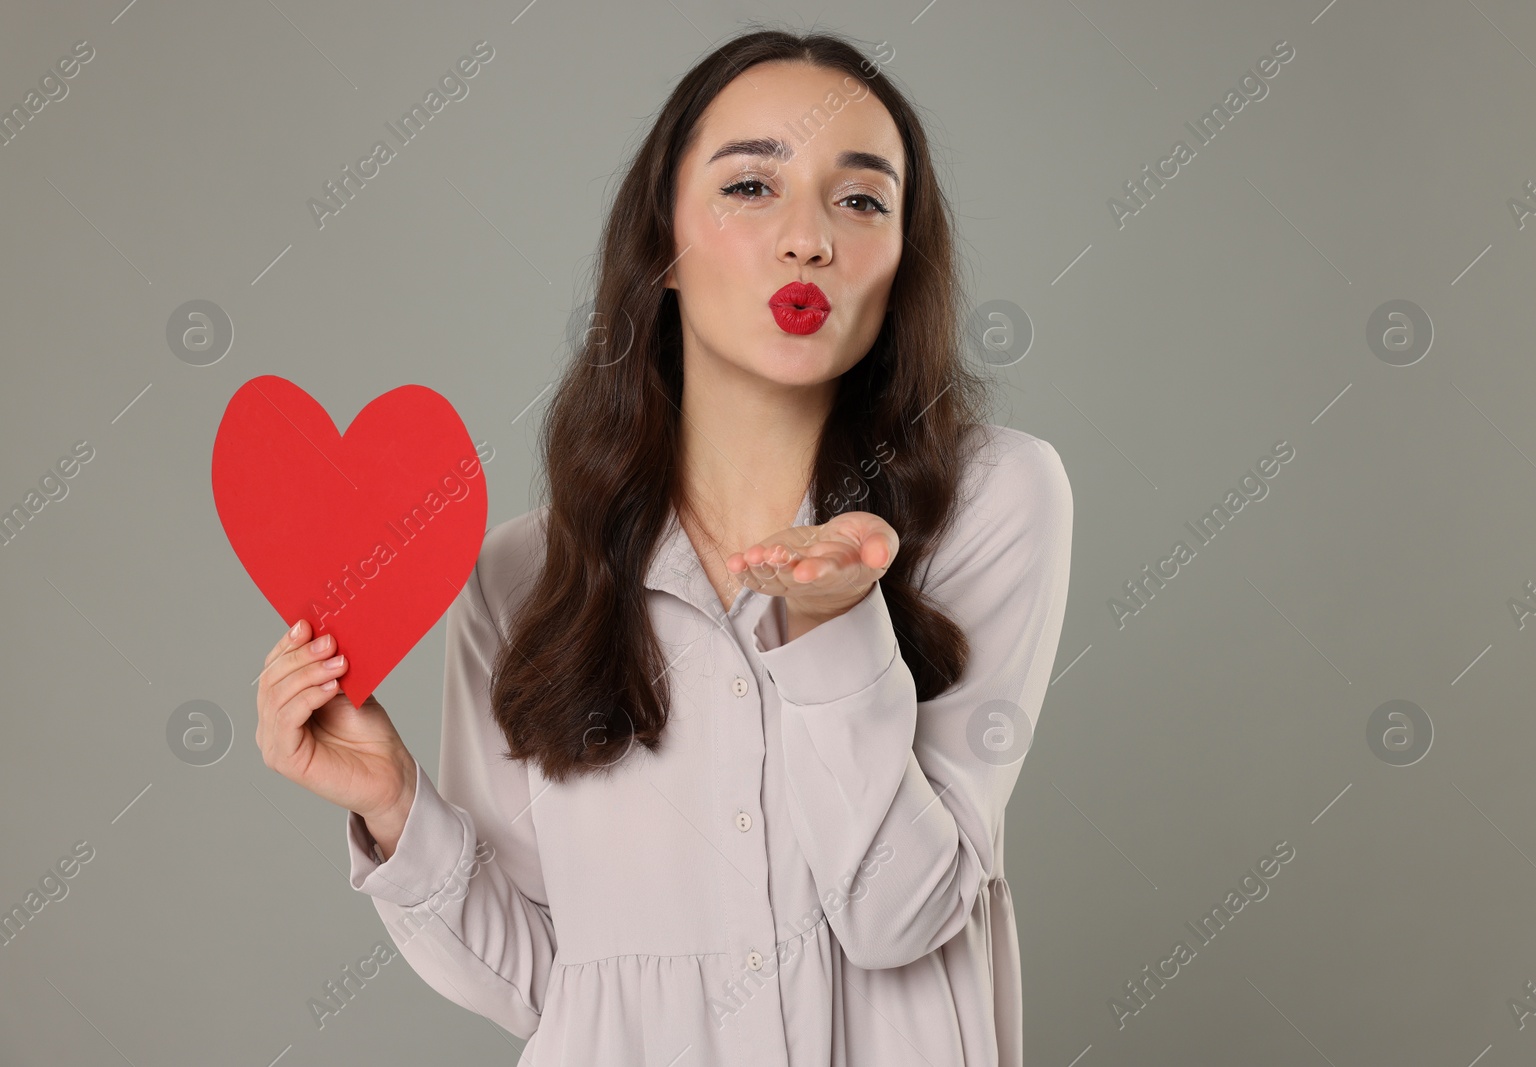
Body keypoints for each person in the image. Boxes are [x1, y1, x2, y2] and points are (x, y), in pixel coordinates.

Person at [255, 25, 1073, 1067]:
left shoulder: (991, 499)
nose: (808, 237)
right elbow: (549, 983)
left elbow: (898, 917)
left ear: (902, 256)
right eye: (749, 187)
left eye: (860, 199)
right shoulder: (521, 577)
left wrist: (831, 630)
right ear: (662, 245)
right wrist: (393, 802)